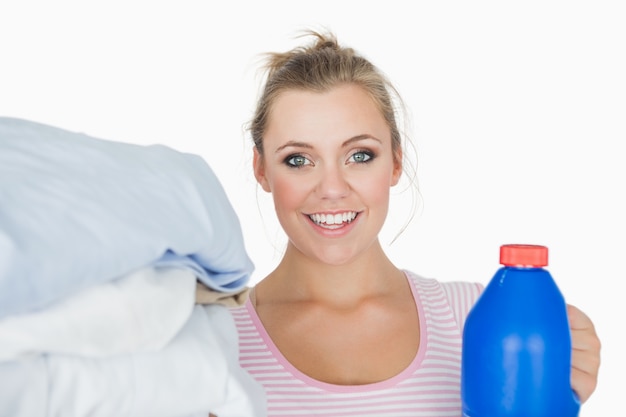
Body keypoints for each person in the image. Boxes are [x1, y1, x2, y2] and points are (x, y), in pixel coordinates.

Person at [229, 30, 601, 416]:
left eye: (359, 155)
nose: (332, 189)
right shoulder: (210, 337)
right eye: (298, 159)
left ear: (395, 161)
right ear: (262, 170)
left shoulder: (478, 318)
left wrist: (553, 405)